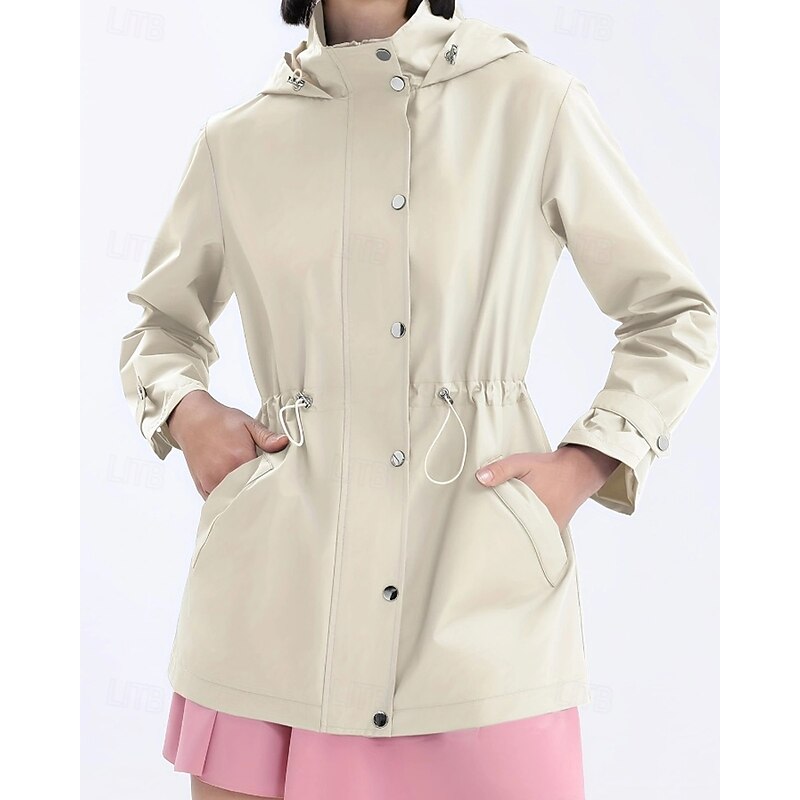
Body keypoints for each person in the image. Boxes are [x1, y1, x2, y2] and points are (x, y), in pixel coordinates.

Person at [119, 0, 719, 798]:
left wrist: (584, 463)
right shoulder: (238, 140)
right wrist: (186, 411)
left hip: (479, 613)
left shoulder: (531, 103)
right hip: (267, 619)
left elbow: (673, 314)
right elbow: (160, 326)